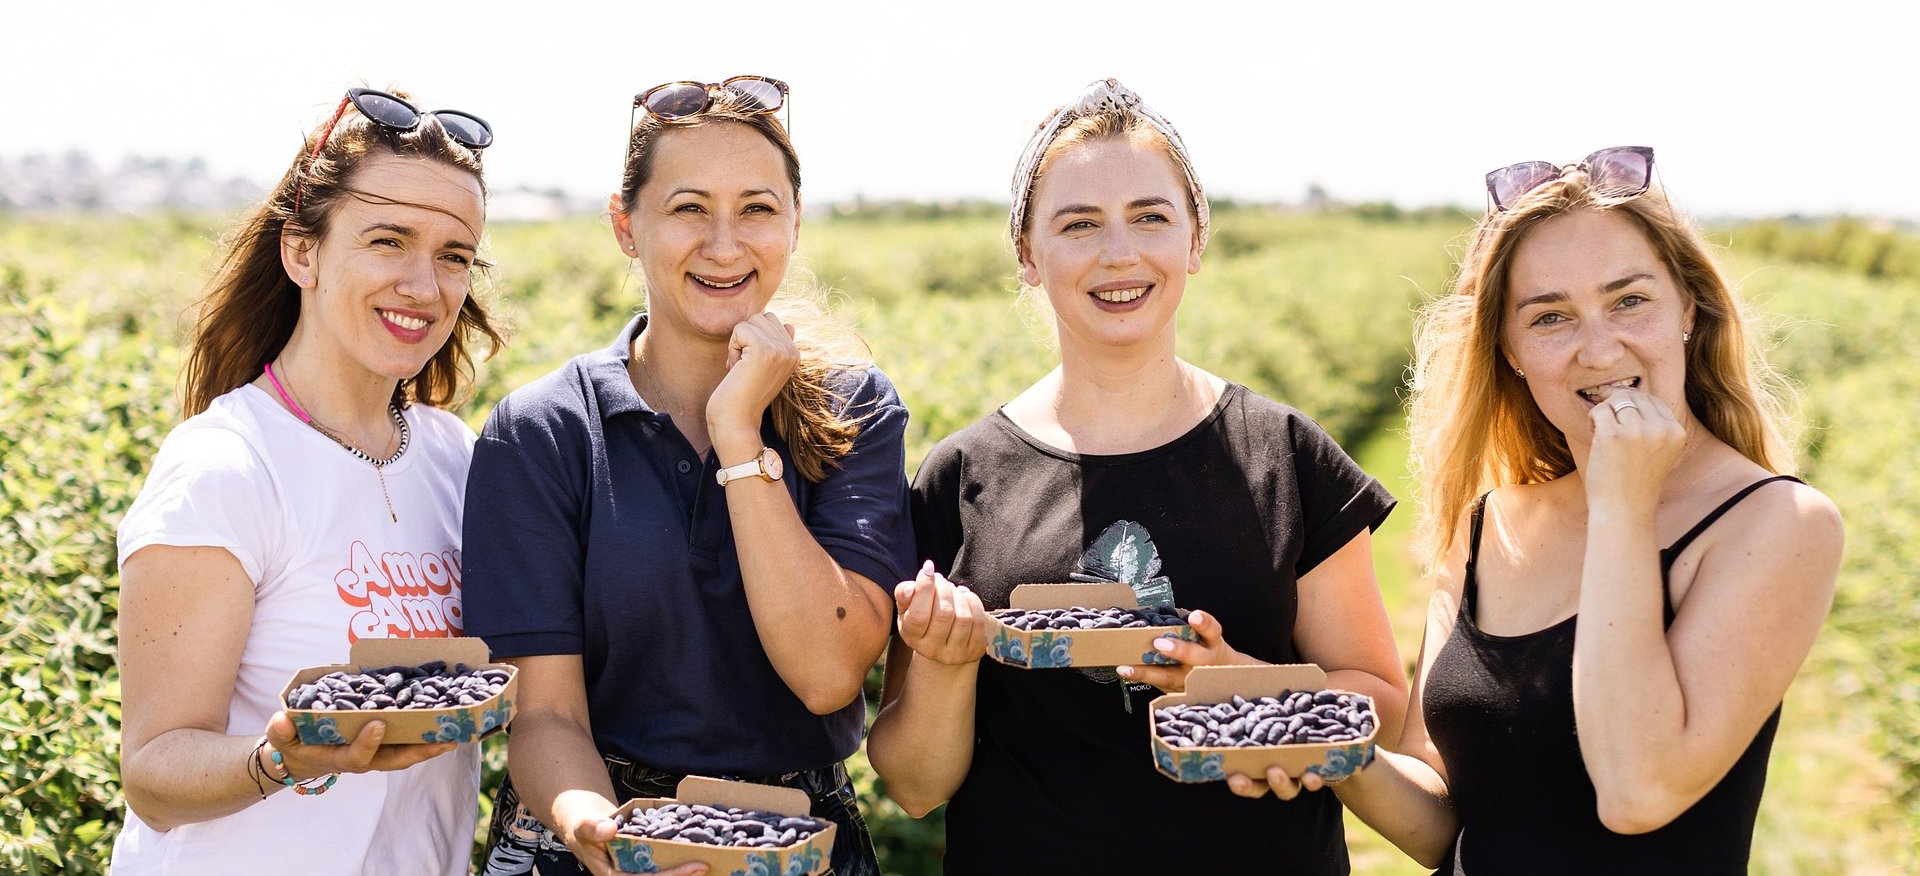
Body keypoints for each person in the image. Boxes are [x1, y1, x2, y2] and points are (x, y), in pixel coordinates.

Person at [1237, 147, 1845, 874]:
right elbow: (1442, 824)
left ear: (1688, 307)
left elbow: (1637, 790)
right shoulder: (1488, 525)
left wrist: (1622, 500)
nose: (1598, 347)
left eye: (1629, 300)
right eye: (1550, 318)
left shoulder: (1777, 524)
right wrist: (1329, 747)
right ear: (1512, 352)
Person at [865, 78, 1409, 875]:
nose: (1119, 252)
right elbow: (915, 786)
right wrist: (947, 664)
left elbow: (1385, 713)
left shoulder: (1286, 456)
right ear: (1028, 255)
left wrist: (1246, 684)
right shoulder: (963, 476)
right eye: (1079, 224)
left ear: (1195, 240)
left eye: (1150, 217)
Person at [463, 76, 913, 876]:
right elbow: (547, 716)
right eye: (688, 208)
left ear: (795, 223)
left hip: (798, 844)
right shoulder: (544, 431)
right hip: (596, 832)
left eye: (758, 208)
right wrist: (598, 829)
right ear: (625, 225)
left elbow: (825, 672)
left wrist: (737, 435)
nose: (725, 243)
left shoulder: (853, 410)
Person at [113, 87, 503, 874]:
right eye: (388, 241)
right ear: (303, 252)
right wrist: (288, 758)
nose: (425, 287)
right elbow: (154, 773)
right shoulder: (226, 467)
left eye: (453, 255)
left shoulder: (456, 459)